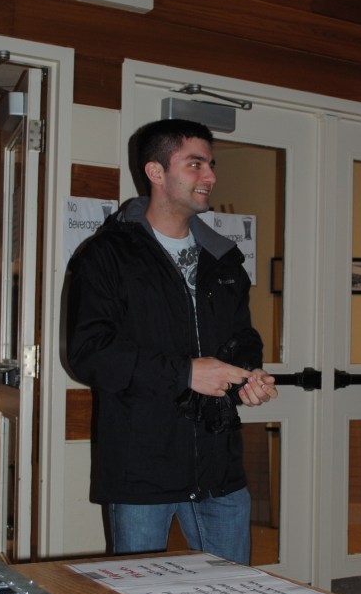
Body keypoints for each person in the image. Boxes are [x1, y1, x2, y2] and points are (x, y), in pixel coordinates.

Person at [65, 118, 277, 564]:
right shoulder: (107, 255)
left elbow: (242, 337)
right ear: (155, 172)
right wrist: (185, 373)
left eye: (211, 165)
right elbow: (89, 353)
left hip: (220, 468)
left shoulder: (224, 259)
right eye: (195, 164)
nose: (210, 176)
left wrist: (248, 375)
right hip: (142, 468)